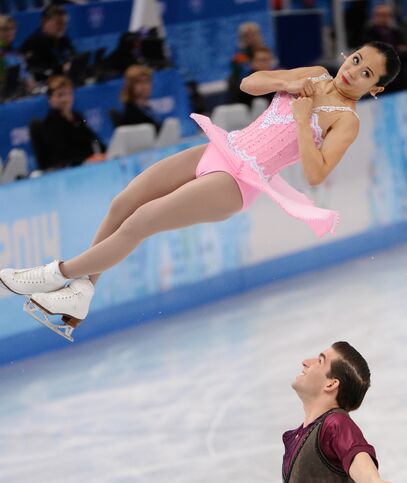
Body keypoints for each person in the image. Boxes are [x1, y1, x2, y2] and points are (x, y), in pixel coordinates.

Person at [0, 42, 401, 334]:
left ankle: (55, 275)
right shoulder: (314, 74)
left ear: (376, 88)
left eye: (367, 73)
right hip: (223, 148)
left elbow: (316, 175)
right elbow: (250, 83)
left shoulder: (347, 121)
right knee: (124, 202)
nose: (353, 70)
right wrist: (288, 83)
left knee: (142, 221)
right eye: (357, 59)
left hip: (241, 182)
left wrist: (302, 119)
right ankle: (83, 292)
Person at [285, 342, 403, 483]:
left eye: (320, 361)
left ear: (330, 384)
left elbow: (355, 452)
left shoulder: (335, 423)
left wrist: (374, 482)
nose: (305, 362)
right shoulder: (301, 437)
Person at [31, 75, 105, 171]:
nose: (66, 99)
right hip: (69, 170)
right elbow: (63, 156)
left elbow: (93, 138)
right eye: (60, 95)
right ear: (50, 99)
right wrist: (88, 159)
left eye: (69, 93)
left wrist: (103, 152)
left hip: (89, 165)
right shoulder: (48, 124)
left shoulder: (77, 116)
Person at [20, 5, 75, 83]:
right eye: (58, 23)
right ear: (44, 21)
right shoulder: (33, 43)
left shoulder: (64, 39)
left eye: (65, 24)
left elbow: (73, 55)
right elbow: (34, 70)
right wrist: (60, 69)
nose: (62, 27)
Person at [361, 4, 407, 92]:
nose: (384, 18)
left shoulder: (397, 32)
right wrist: (397, 51)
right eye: (380, 15)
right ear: (374, 16)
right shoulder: (368, 34)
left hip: (399, 76)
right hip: (380, 79)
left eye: (387, 15)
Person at [111, 65, 162, 132]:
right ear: (130, 86)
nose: (144, 86)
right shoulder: (129, 113)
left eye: (147, 81)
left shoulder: (147, 108)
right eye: (139, 82)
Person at [228, 22, 265, 104]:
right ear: (241, 38)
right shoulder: (239, 56)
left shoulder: (265, 51)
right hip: (245, 94)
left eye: (253, 34)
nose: (251, 38)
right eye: (247, 35)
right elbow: (244, 76)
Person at [0, 15, 35, 100]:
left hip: (18, 95)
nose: (10, 32)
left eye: (12, 29)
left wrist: (28, 78)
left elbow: (23, 71)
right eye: (5, 29)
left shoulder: (14, 51)